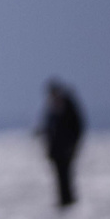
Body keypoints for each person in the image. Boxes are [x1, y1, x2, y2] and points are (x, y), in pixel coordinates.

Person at [37, 79, 85, 210]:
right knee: (59, 175)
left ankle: (68, 200)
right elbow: (49, 128)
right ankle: (63, 199)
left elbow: (76, 128)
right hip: (56, 149)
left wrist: (73, 144)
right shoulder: (53, 107)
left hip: (66, 148)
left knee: (66, 174)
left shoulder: (67, 106)